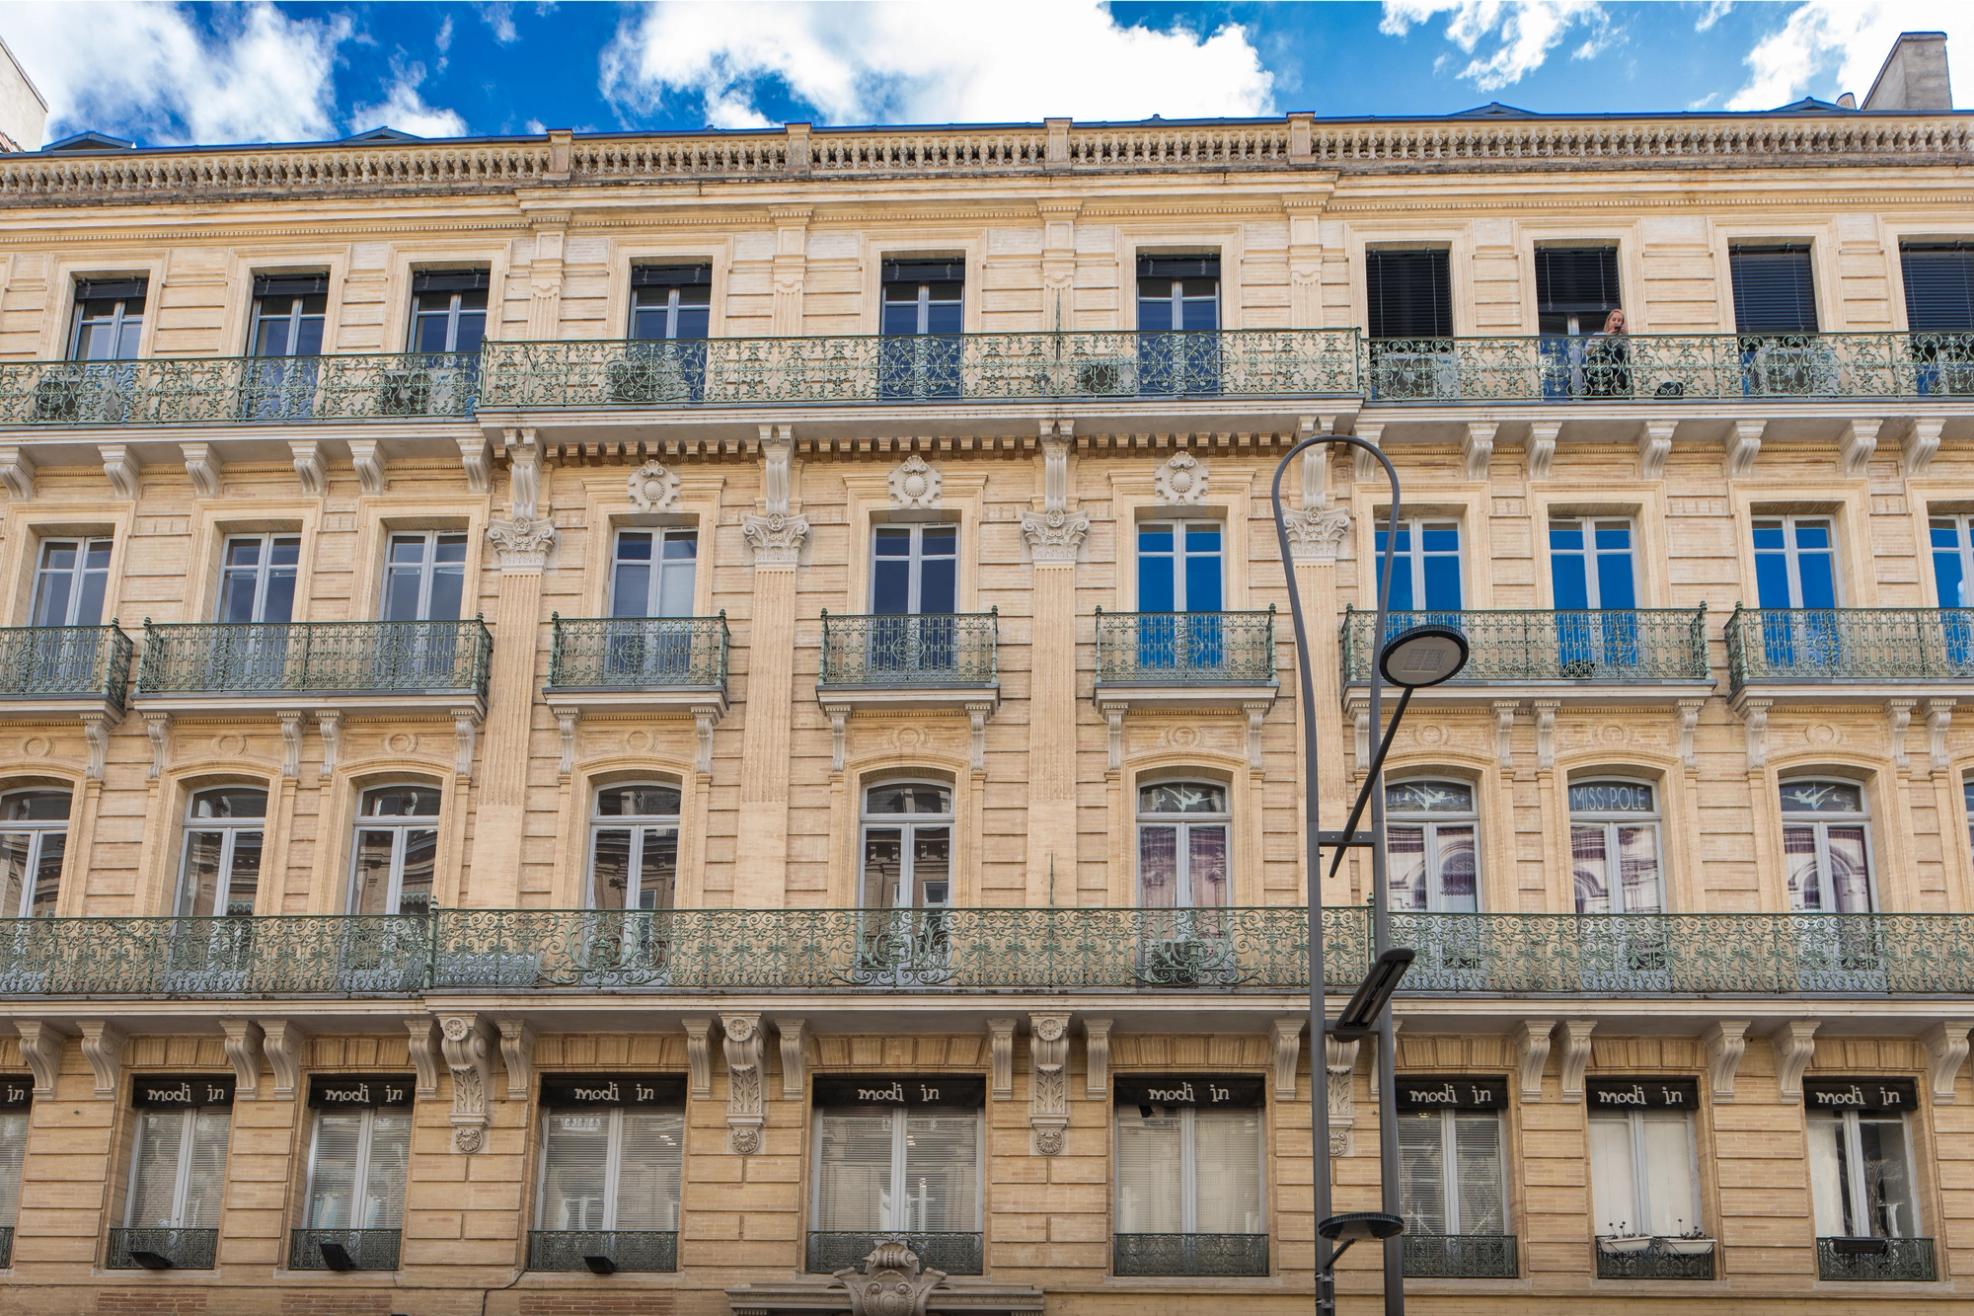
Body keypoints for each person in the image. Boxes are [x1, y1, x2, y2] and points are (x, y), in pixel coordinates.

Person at [1582, 306, 1632, 398]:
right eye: (1614, 319)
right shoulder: (1598, 335)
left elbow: (1629, 354)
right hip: (1598, 373)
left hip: (1617, 374)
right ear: (1608, 321)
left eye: (1619, 320)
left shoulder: (1623, 339)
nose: (1616, 322)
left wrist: (1624, 337)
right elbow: (1588, 351)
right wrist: (1606, 336)